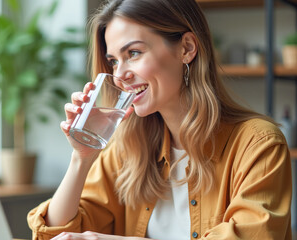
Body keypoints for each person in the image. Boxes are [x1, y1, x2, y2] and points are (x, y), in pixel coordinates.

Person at [27, 0, 292, 239]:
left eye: (133, 53)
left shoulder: (259, 145)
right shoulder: (126, 149)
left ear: (186, 48)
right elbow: (56, 232)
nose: (120, 75)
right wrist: (81, 157)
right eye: (113, 61)